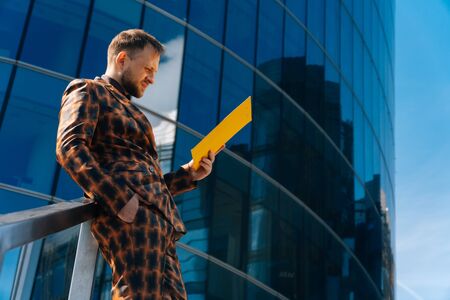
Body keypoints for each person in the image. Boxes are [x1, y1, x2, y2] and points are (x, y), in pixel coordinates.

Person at [56, 29, 220, 299]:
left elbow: (148, 183)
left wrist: (190, 173)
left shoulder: (130, 109)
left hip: (161, 225)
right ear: (122, 59)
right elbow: (70, 147)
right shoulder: (88, 90)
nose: (153, 78)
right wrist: (121, 201)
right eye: (148, 69)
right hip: (132, 217)